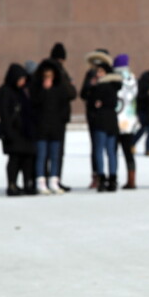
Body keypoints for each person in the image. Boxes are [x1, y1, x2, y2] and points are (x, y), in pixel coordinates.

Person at [30, 60, 70, 195]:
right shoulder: (36, 88)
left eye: (50, 76)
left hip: (55, 127)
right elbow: (34, 104)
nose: (48, 79)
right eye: (46, 76)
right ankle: (41, 182)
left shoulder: (60, 88)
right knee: (41, 155)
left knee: (55, 155)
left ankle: (54, 181)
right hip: (41, 127)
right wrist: (44, 90)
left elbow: (69, 97)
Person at [0, 63, 36, 196]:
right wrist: (9, 132)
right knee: (15, 160)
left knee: (28, 159)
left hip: (26, 132)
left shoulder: (22, 91)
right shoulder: (5, 91)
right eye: (21, 79)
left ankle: (28, 184)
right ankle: (12, 184)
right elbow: (4, 114)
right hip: (13, 132)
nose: (23, 81)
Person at [84, 60, 122, 192]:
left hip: (101, 121)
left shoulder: (99, 86)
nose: (98, 74)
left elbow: (91, 102)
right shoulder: (114, 86)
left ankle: (102, 178)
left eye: (100, 71)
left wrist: (97, 99)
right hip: (111, 122)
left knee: (100, 150)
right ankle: (112, 179)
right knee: (111, 152)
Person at [44, 43, 77, 192]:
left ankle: (44, 179)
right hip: (58, 118)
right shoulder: (61, 73)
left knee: (44, 151)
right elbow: (71, 93)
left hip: (44, 117)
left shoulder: (43, 70)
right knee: (57, 151)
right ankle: (55, 179)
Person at [81, 49, 113, 188]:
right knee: (96, 147)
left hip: (108, 116)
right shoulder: (90, 74)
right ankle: (97, 175)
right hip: (94, 115)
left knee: (110, 149)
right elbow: (83, 94)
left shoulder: (112, 75)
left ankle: (111, 177)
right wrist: (91, 85)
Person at [113, 54, 139, 189]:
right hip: (130, 121)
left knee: (113, 152)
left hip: (116, 120)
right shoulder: (132, 77)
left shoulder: (115, 77)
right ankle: (131, 179)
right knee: (128, 152)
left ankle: (113, 178)